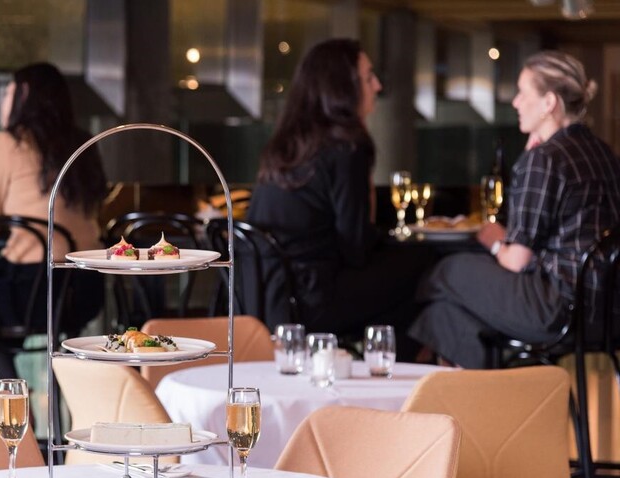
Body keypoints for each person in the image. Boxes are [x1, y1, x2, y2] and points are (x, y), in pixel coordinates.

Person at [409, 50, 620, 368]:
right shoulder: (604, 153)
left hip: (557, 309)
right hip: (607, 313)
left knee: (445, 271)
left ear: (549, 103)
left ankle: (409, 364)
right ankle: (499, 385)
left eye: (523, 93)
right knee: (442, 316)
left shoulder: (545, 159)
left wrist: (493, 239)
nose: (516, 102)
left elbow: (516, 261)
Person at [246, 38, 432, 360]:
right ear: (342, 87)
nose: (378, 85)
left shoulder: (284, 145)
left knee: (397, 278)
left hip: (263, 298)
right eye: (368, 76)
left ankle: (382, 363)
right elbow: (355, 247)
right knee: (425, 263)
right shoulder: (347, 146)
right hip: (311, 301)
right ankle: (398, 371)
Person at [0, 62, 107, 379]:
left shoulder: (6, 143)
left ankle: (5, 391)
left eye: (8, 91)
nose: (3, 99)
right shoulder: (84, 143)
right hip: (83, 290)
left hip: (36, 289)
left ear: (24, 95)